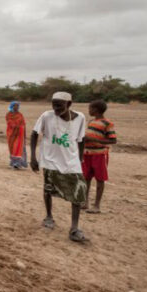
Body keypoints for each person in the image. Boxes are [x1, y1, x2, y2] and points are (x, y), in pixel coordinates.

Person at [30, 92, 88, 242]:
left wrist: (80, 158)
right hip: (50, 160)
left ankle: (74, 228)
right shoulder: (47, 116)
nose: (55, 108)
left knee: (78, 191)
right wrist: (33, 157)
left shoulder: (80, 118)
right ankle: (49, 217)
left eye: (59, 105)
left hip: (71, 161)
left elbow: (81, 139)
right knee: (48, 189)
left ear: (69, 104)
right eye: (53, 105)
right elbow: (34, 134)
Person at [82, 100, 116, 214]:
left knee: (100, 179)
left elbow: (113, 140)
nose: (89, 110)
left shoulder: (107, 123)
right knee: (86, 178)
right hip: (87, 153)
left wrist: (93, 139)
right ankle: (85, 202)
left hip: (99, 154)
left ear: (96, 109)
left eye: (90, 108)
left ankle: (96, 205)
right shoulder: (92, 122)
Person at [6, 101, 27, 169]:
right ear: (12, 106)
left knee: (17, 147)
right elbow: (9, 122)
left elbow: (23, 123)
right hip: (11, 133)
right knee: (12, 147)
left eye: (17, 106)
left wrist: (21, 128)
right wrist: (14, 125)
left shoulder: (20, 115)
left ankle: (18, 163)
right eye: (15, 106)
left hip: (19, 133)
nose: (17, 107)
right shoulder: (8, 114)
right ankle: (13, 162)